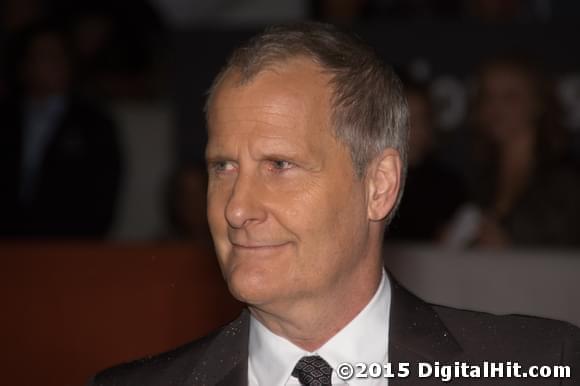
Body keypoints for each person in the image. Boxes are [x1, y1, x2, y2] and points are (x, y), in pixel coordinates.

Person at [91, 23, 580, 385]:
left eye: (279, 165)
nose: (236, 209)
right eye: (224, 167)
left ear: (379, 185)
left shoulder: (538, 367)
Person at [0, 24, 122, 238]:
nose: (55, 64)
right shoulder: (6, 119)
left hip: (68, 245)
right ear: (23, 66)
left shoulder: (93, 122)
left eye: (60, 55)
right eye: (45, 55)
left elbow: (102, 196)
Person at [467, 55, 580, 247]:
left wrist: (513, 248)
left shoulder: (565, 179)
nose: (495, 108)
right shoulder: (481, 177)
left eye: (510, 97)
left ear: (538, 103)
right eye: (487, 96)